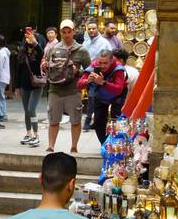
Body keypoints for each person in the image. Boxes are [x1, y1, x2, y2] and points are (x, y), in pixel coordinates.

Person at [45, 19, 90, 155]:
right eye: (64, 32)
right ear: (60, 33)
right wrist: (45, 66)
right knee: (53, 119)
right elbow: (47, 65)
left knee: (75, 119)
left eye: (69, 32)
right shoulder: (53, 48)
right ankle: (51, 145)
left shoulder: (81, 50)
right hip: (55, 89)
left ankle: (74, 146)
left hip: (73, 90)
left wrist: (79, 71)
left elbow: (90, 69)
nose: (66, 34)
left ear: (74, 32)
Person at [87, 48, 129, 143]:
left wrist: (103, 82)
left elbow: (118, 89)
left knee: (117, 120)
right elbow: (80, 84)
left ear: (111, 60)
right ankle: (105, 144)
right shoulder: (94, 65)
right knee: (98, 120)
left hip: (117, 94)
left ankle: (117, 143)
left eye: (105, 63)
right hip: (101, 93)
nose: (102, 65)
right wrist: (87, 80)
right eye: (100, 62)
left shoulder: (119, 69)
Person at [18, 26, 44, 146]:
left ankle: (36, 134)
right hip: (24, 84)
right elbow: (18, 68)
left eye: (31, 38)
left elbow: (41, 51)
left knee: (31, 109)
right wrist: (16, 87)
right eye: (27, 38)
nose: (28, 40)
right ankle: (29, 134)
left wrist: (34, 42)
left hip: (36, 84)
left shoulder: (38, 53)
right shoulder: (22, 53)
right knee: (26, 111)